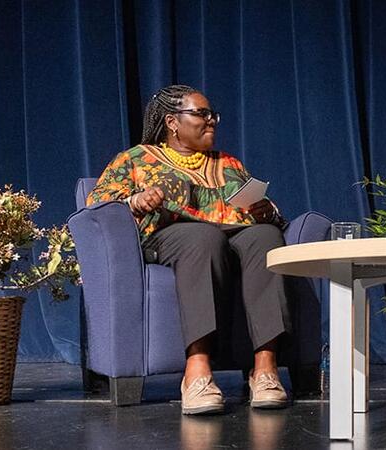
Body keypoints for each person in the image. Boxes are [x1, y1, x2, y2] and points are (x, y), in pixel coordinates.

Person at [87, 84, 290, 415]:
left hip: (234, 233)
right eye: (201, 114)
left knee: (266, 237)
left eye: (213, 115)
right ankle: (197, 371)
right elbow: (97, 200)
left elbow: (259, 203)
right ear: (172, 121)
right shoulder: (136, 158)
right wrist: (136, 200)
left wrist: (269, 212)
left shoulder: (228, 163)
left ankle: (265, 368)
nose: (211, 121)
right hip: (170, 236)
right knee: (201, 238)